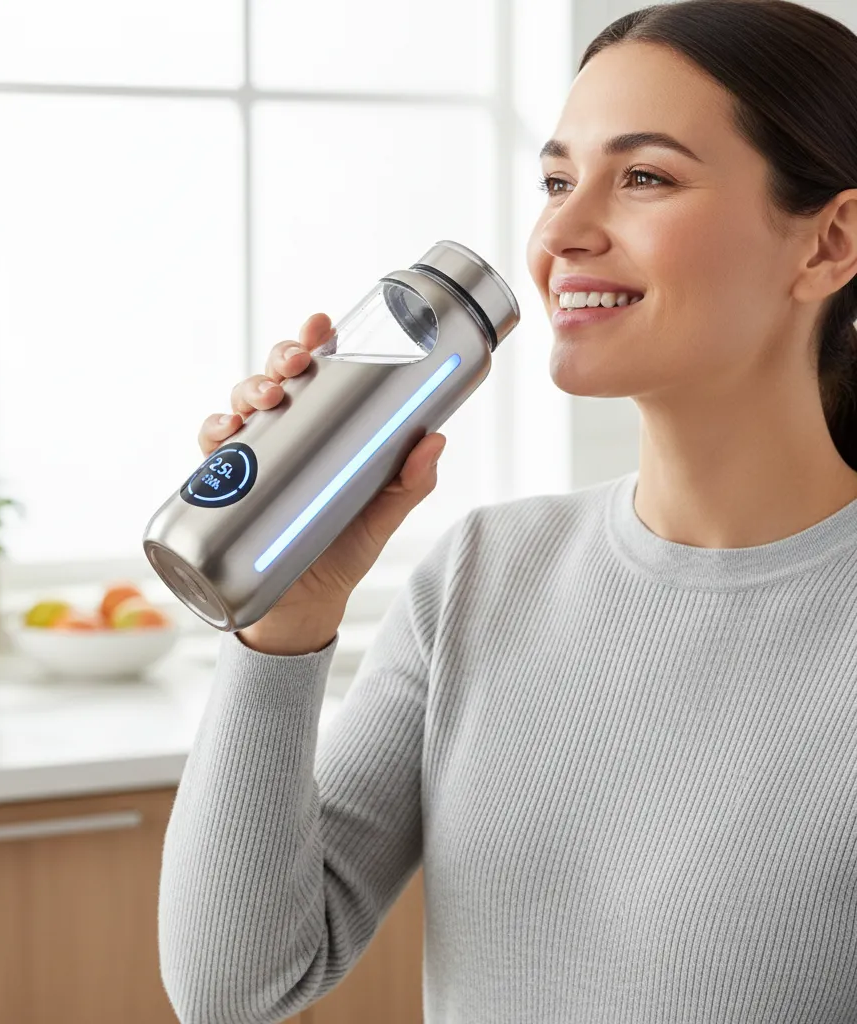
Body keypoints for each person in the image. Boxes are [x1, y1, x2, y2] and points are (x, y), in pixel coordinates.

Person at [158, 1, 857, 1020]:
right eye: (557, 180)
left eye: (645, 176)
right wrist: (283, 621)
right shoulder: (483, 573)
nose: (561, 234)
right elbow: (237, 986)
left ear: (830, 241)